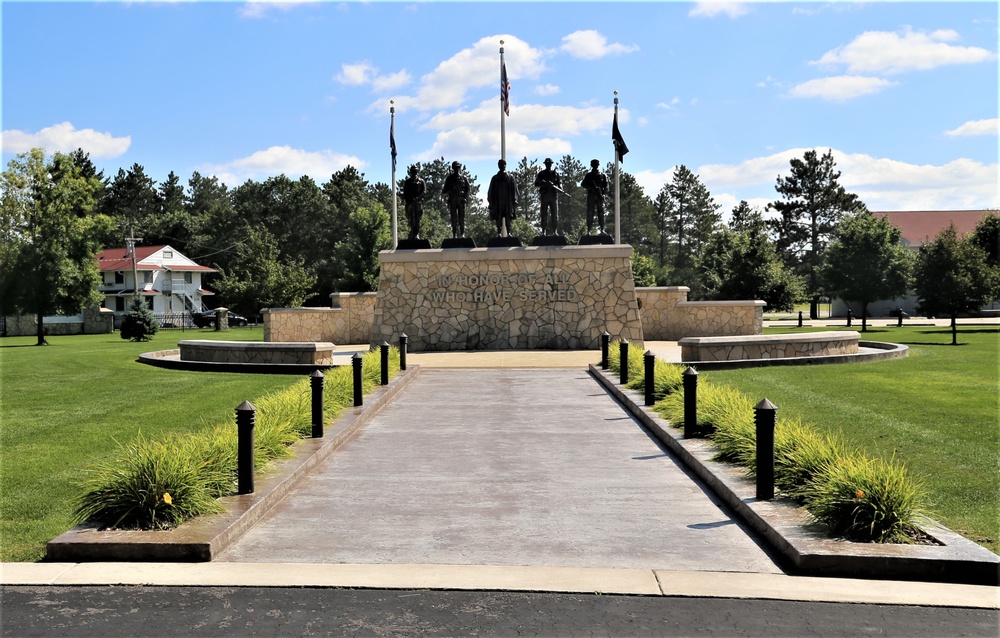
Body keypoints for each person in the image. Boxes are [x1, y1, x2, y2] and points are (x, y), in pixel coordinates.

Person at [487, 159, 518, 236]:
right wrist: (491, 202)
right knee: (498, 217)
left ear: (505, 166)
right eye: (501, 165)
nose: (502, 166)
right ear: (498, 166)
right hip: (498, 201)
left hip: (508, 201)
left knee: (508, 217)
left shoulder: (510, 178)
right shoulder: (495, 178)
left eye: (503, 165)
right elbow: (491, 190)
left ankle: (509, 232)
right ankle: (498, 233)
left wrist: (515, 200)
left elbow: (515, 190)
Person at [441, 161, 471, 238]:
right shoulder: (449, 179)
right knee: (453, 218)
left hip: (461, 199)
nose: (456, 169)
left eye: (458, 167)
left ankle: (462, 234)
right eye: (455, 167)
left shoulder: (464, 178)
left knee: (462, 218)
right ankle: (454, 234)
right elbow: (444, 190)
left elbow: (468, 189)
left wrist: (465, 198)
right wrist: (450, 190)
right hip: (453, 199)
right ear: (453, 168)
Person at [534, 158, 561, 236]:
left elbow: (559, 184)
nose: (548, 165)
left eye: (550, 164)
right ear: (545, 164)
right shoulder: (541, 174)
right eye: (547, 164)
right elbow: (536, 184)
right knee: (543, 214)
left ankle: (555, 231)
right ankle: (543, 231)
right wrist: (544, 184)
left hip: (553, 196)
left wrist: (557, 187)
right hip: (545, 195)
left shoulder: (555, 174)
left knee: (555, 214)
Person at [581, 159, 608, 234]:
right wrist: (590, 187)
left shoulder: (602, 175)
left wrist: (603, 194)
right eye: (594, 164)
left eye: (596, 164)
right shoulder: (589, 175)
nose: (595, 166)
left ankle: (602, 230)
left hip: (599, 197)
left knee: (601, 214)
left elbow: (606, 186)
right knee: (590, 213)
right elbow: (583, 184)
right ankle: (588, 231)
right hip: (591, 196)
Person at [401, 165, 426, 240]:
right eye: (412, 171)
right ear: (410, 172)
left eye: (415, 171)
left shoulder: (421, 181)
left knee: (418, 219)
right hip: (410, 202)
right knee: (411, 219)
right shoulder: (408, 182)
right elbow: (405, 193)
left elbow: (424, 191)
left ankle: (416, 234)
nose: (414, 172)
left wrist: (418, 198)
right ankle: (412, 233)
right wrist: (409, 200)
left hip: (418, 203)